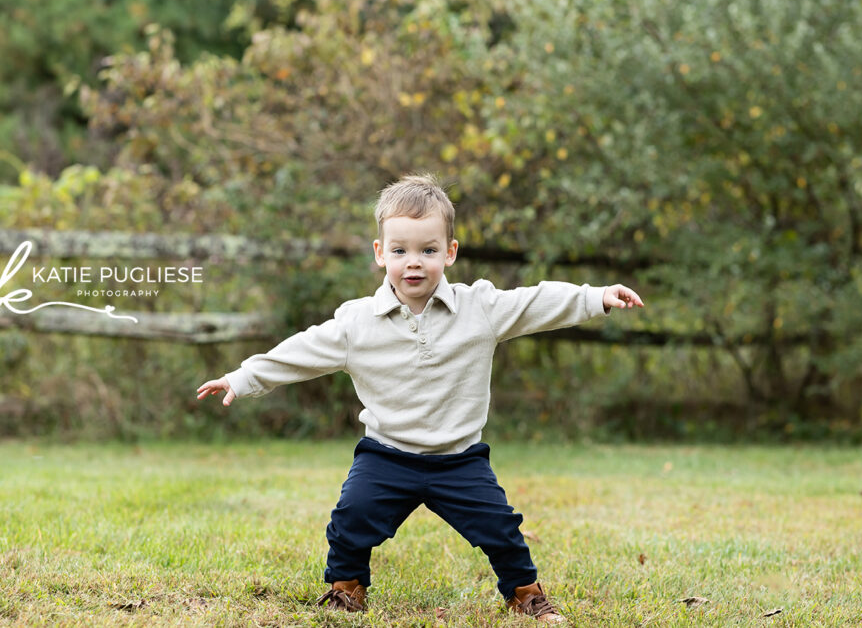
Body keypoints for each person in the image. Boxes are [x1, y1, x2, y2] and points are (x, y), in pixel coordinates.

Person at [196, 174, 644, 622]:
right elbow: (301, 351)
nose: (414, 263)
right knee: (351, 517)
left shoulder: (479, 309)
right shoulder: (358, 323)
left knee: (501, 529)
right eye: (400, 251)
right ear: (380, 254)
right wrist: (244, 376)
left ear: (449, 253)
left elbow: (534, 303)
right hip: (386, 455)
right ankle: (346, 588)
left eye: (428, 250)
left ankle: (526, 595)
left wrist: (596, 297)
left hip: (459, 459)